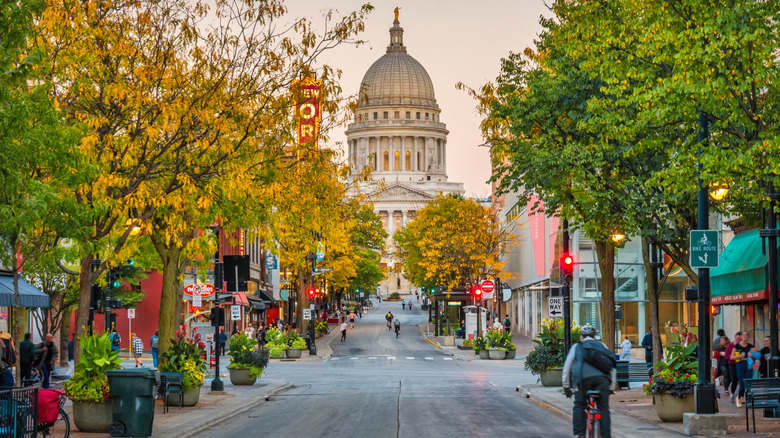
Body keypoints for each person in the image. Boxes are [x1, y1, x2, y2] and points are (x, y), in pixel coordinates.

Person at [562, 325, 616, 438]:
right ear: (594, 337)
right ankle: (606, 435)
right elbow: (612, 366)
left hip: (583, 380)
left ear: (581, 337)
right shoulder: (602, 346)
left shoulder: (577, 346)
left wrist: (566, 387)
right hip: (602, 381)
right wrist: (611, 387)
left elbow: (567, 368)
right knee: (604, 409)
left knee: (579, 405)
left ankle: (581, 434)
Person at [730, 331, 754, 407]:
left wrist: (752, 356)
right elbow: (731, 357)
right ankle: (739, 397)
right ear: (741, 337)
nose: (745, 336)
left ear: (748, 337)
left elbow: (755, 357)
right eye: (743, 335)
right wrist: (740, 356)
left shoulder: (751, 346)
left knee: (749, 382)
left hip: (749, 364)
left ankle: (748, 400)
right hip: (740, 364)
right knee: (742, 383)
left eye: (746, 335)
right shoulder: (737, 346)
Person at [724, 332, 740, 400]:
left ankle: (741, 395)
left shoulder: (742, 346)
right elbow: (727, 356)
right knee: (734, 380)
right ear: (735, 338)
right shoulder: (730, 345)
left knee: (742, 380)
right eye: (737, 339)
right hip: (732, 364)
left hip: (740, 364)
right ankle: (732, 393)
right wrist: (734, 357)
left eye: (740, 339)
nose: (738, 340)